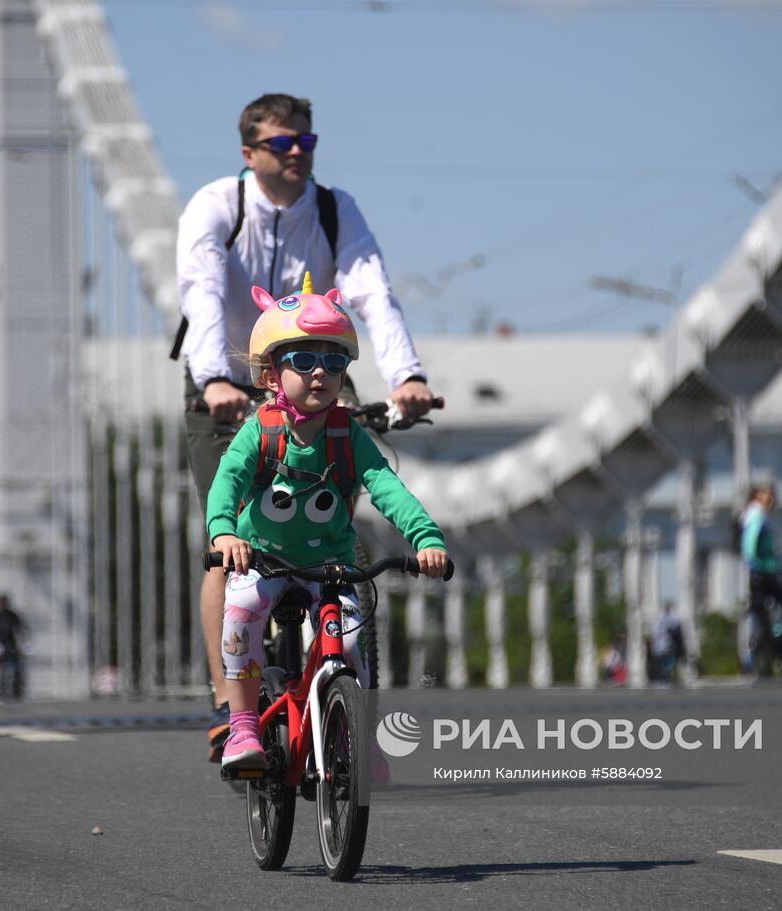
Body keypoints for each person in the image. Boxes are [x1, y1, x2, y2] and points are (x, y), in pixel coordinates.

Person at [176, 93, 435, 759]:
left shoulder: (333, 208)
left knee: (330, 533)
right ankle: (230, 705)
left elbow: (370, 286)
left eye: (306, 143)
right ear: (249, 153)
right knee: (228, 531)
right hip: (229, 386)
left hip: (318, 377)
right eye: (282, 144)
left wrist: (405, 374)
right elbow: (202, 291)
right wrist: (215, 380)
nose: (298, 154)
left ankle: (336, 688)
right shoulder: (215, 207)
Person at [206, 277, 448, 772]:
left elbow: (385, 485)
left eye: (335, 361)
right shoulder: (262, 429)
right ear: (271, 375)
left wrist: (425, 538)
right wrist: (225, 533)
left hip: (331, 563)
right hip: (264, 560)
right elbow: (228, 480)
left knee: (352, 642)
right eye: (303, 360)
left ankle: (355, 737)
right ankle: (243, 726)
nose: (321, 372)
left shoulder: (347, 433)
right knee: (242, 615)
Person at [737, 483, 782, 680]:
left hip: (759, 575)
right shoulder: (757, 516)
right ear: (755, 496)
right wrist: (758, 565)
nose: (770, 499)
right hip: (766, 574)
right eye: (766, 495)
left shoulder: (749, 515)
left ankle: (752, 659)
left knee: (758, 614)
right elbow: (751, 546)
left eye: (772, 495)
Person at [0, 594, 26, 701]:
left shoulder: (12, 616)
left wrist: (18, 644)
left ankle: (16, 690)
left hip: (10, 644)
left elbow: (18, 630)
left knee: (15, 667)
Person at [648, 601, 685, 683]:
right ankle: (665, 676)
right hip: (664, 646)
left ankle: (666, 676)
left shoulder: (666, 618)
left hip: (667, 646)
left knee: (666, 663)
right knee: (664, 664)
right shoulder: (664, 618)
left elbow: (654, 633)